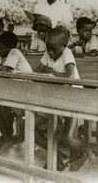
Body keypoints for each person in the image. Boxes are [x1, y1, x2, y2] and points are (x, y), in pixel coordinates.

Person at [36, 27, 87, 172]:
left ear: (64, 45)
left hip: (73, 98)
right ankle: (57, 157)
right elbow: (37, 71)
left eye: (54, 49)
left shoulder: (67, 53)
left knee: (68, 138)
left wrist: (52, 72)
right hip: (54, 97)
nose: (51, 52)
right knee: (30, 126)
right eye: (48, 48)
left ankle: (85, 153)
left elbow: (70, 77)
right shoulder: (49, 52)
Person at [0, 31, 32, 155]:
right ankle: (7, 136)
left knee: (2, 108)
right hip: (16, 92)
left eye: (0, 48)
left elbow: (5, 72)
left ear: (10, 47)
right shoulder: (7, 56)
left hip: (26, 94)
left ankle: (7, 137)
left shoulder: (14, 52)